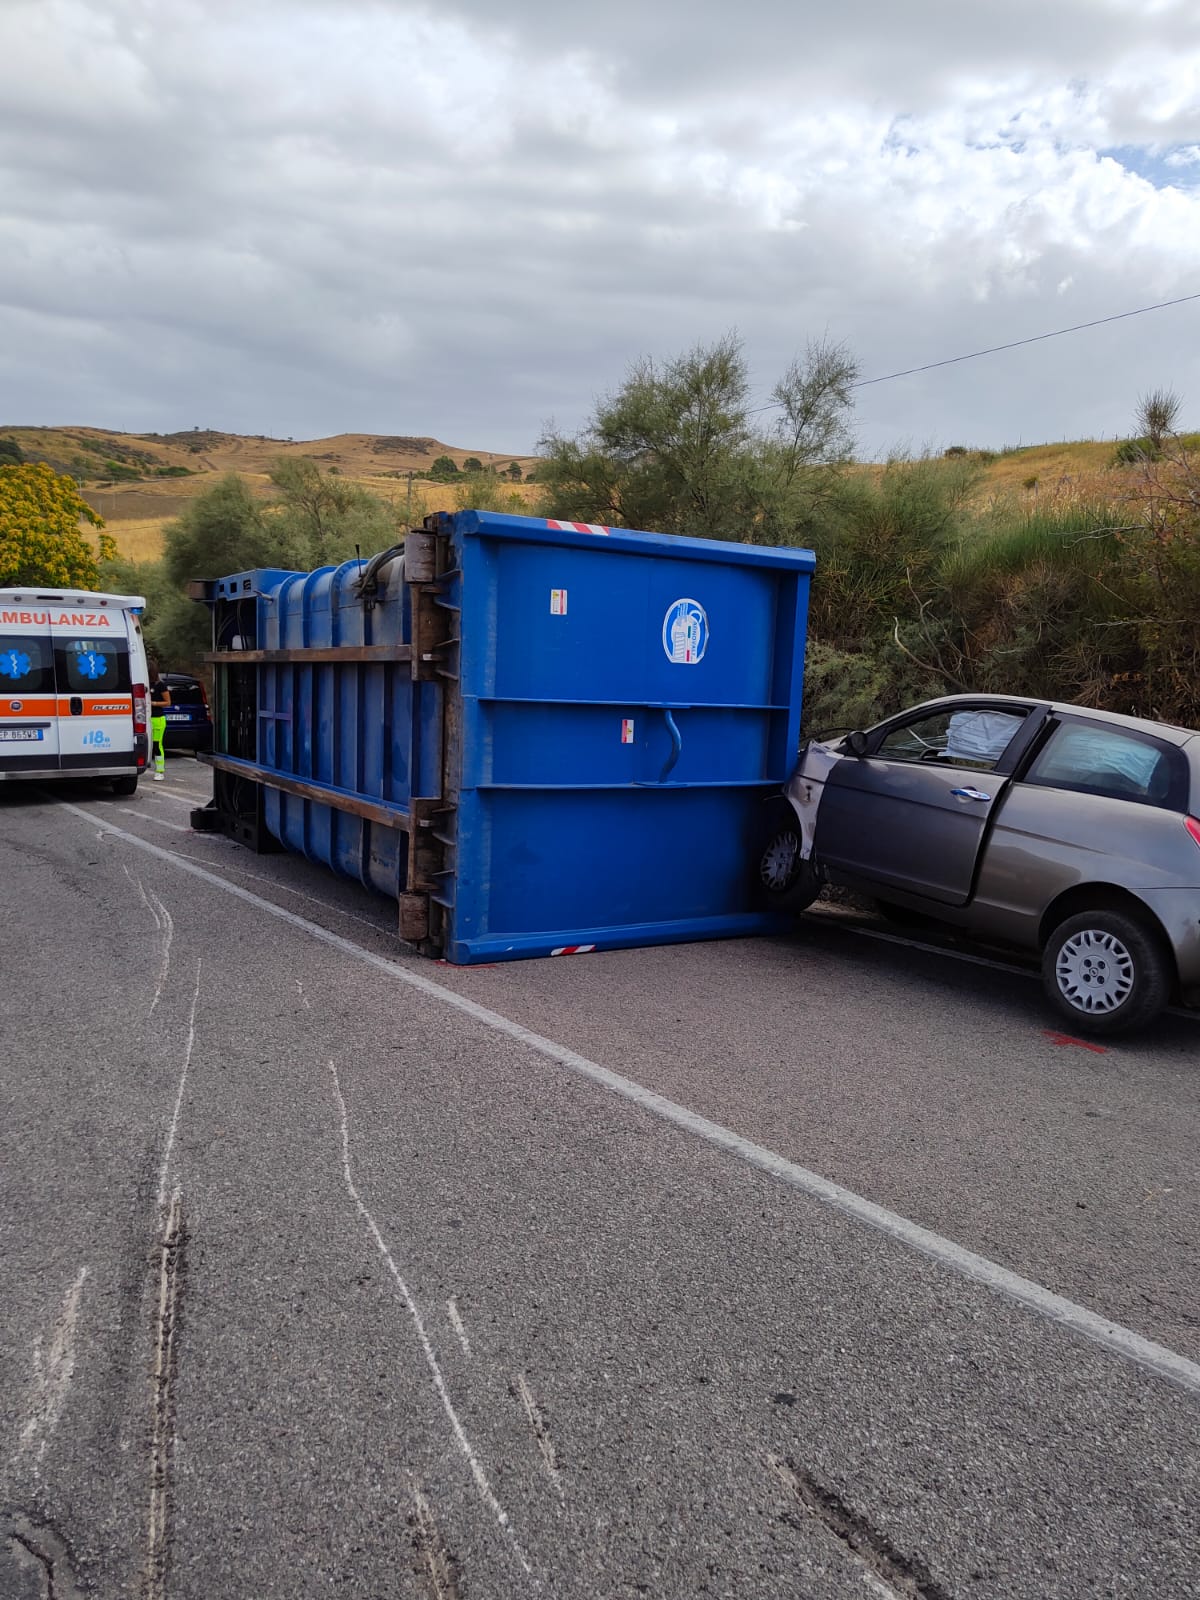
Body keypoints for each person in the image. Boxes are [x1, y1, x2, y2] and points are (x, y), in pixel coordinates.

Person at [149, 667, 171, 780]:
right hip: (146, 718)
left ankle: (159, 771)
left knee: (157, 745)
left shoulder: (160, 685)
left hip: (158, 719)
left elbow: (168, 702)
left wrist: (154, 703)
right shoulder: (145, 684)